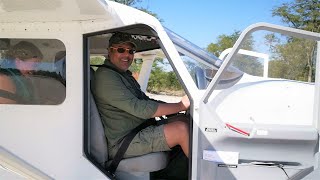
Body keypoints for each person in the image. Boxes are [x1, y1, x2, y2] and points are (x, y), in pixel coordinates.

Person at [92, 32, 190, 161]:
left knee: (183, 119)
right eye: (121, 50)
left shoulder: (122, 75)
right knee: (180, 130)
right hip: (123, 142)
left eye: (131, 51)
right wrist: (180, 105)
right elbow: (140, 109)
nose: (127, 55)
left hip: (138, 129)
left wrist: (177, 108)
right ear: (110, 51)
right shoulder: (106, 77)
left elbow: (145, 100)